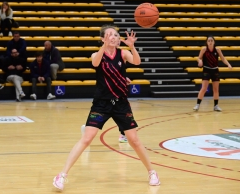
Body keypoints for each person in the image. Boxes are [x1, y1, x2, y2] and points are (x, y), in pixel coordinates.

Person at [52, 25, 160, 190]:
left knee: (134, 140)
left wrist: (132, 47)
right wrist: (104, 47)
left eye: (116, 35)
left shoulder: (123, 53)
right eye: (109, 35)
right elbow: (95, 63)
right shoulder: (97, 54)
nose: (113, 37)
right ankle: (62, 175)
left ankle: (152, 172)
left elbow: (137, 62)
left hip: (121, 104)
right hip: (101, 104)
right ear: (103, 39)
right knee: (87, 138)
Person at [193, 36, 232, 112]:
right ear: (207, 42)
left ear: (214, 42)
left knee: (216, 89)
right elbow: (199, 58)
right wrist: (199, 61)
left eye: (211, 40)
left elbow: (223, 58)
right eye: (209, 41)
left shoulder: (217, 50)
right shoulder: (204, 49)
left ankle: (216, 106)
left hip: (215, 70)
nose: (210, 42)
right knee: (204, 88)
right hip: (206, 70)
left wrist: (228, 64)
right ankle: (197, 105)